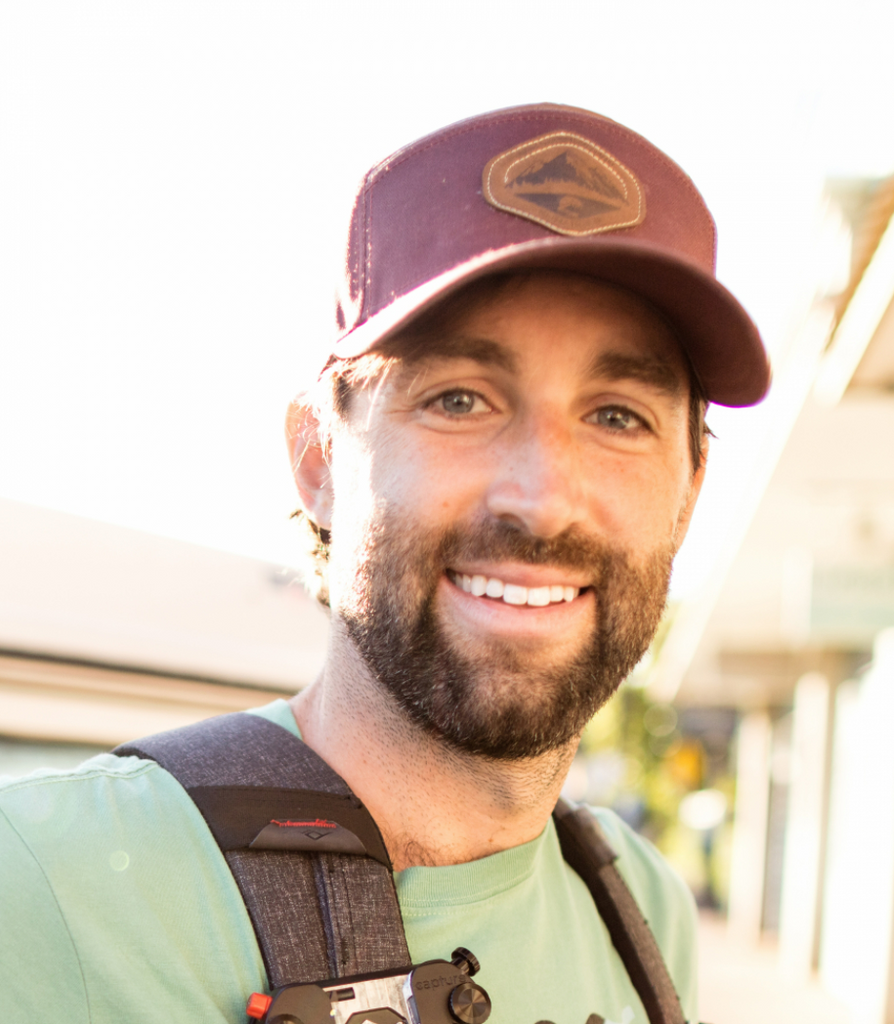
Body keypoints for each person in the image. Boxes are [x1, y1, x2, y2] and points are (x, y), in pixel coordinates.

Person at [0, 104, 769, 1024]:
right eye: (459, 399)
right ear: (319, 459)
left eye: (617, 416)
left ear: (689, 487)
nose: (542, 496)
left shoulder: (638, 904)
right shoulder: (48, 892)